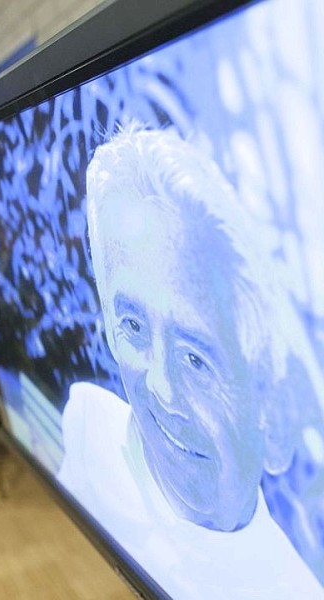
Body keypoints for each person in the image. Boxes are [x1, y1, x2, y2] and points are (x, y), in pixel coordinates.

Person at [57, 126, 324, 598]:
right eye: (133, 327)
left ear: (271, 408)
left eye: (196, 357)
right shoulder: (87, 427)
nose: (160, 385)